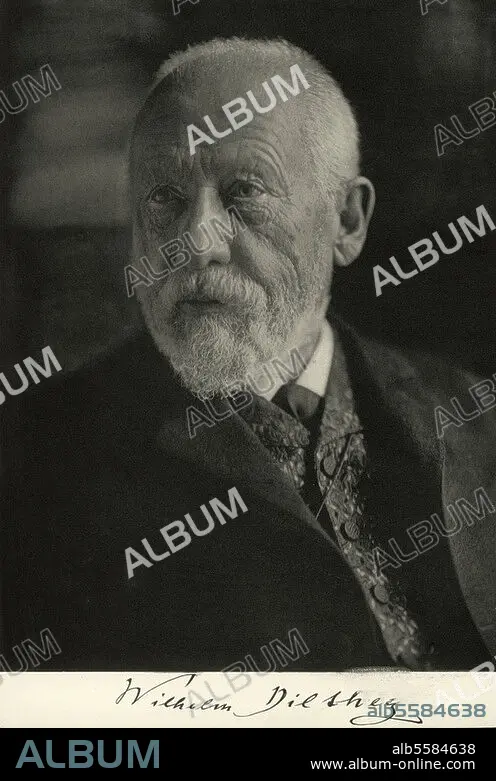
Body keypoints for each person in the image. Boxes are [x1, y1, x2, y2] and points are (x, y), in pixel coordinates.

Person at [2, 38, 495, 673]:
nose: (197, 243)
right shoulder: (41, 455)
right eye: (165, 199)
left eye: (244, 192)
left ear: (347, 220)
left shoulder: (473, 415)